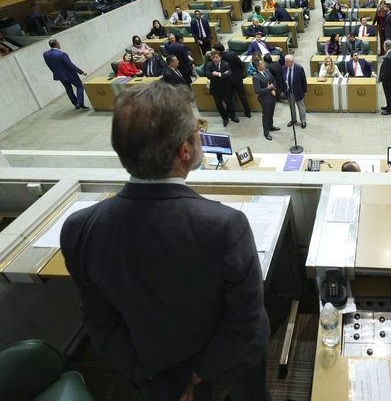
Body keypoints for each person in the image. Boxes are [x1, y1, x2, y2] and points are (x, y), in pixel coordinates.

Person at [60, 81, 271, 401]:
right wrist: (195, 375)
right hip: (226, 368)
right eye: (198, 127)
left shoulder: (78, 228)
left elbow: (100, 325)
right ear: (185, 151)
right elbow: (246, 322)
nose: (201, 132)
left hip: (152, 369)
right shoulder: (226, 227)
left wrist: (155, 377)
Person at [43, 39, 88, 110]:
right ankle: (79, 103)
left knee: (68, 89)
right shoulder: (62, 54)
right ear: (57, 44)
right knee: (79, 86)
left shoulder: (46, 54)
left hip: (60, 76)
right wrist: (81, 72)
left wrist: (55, 73)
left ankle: (76, 103)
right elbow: (70, 65)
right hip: (70, 75)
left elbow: (49, 65)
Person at [214, 44, 251, 118]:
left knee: (229, 98)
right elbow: (240, 64)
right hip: (237, 78)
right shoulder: (232, 54)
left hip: (227, 80)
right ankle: (248, 112)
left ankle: (231, 113)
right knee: (242, 96)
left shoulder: (219, 59)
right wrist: (242, 73)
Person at [205, 50, 238, 127]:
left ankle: (233, 116)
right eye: (213, 58)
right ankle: (225, 118)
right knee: (219, 105)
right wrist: (223, 74)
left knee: (229, 103)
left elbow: (229, 74)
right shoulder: (209, 65)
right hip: (216, 89)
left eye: (216, 57)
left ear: (220, 57)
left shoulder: (226, 64)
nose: (215, 59)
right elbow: (208, 75)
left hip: (226, 88)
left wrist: (218, 74)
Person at [252, 59, 279, 140]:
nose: (263, 64)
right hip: (264, 99)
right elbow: (257, 91)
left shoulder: (267, 70)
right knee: (266, 115)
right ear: (257, 67)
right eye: (261, 64)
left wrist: (273, 88)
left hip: (272, 96)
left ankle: (271, 126)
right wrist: (268, 88)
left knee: (271, 113)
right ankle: (266, 132)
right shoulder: (256, 77)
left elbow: (273, 80)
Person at [283, 55, 307, 128]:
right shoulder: (284, 68)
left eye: (287, 62)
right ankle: (293, 119)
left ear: (292, 62)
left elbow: (303, 80)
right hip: (288, 92)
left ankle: (303, 121)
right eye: (285, 61)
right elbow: (282, 80)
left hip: (298, 92)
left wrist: (304, 91)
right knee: (291, 107)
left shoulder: (299, 68)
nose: (285, 63)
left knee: (301, 107)